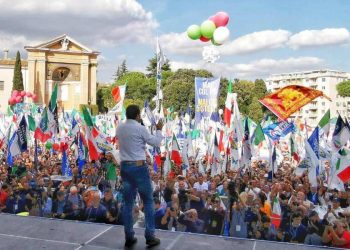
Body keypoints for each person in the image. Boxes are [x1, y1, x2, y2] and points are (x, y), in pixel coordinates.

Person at [116, 104, 163, 247]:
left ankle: (129, 236)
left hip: (125, 167)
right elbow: (156, 142)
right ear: (137, 115)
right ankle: (150, 236)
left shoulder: (120, 128)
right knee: (148, 201)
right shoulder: (140, 128)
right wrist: (159, 130)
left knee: (128, 202)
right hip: (138, 167)